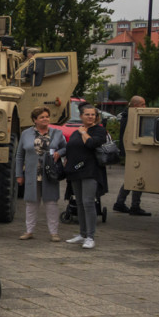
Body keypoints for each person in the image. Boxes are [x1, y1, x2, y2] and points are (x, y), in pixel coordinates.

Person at [16, 106, 66, 242]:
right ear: (35, 120)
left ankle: (54, 233)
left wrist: (59, 153)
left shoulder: (57, 133)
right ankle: (29, 231)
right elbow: (20, 155)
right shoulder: (26, 134)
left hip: (50, 173)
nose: (45, 119)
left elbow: (65, 147)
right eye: (42, 117)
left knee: (51, 203)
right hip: (32, 173)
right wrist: (19, 174)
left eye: (47, 116)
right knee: (31, 203)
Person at [63, 103, 108, 249]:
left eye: (93, 114)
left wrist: (84, 133)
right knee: (80, 203)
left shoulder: (99, 131)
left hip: (91, 171)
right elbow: (71, 147)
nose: (90, 117)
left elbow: (91, 144)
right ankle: (82, 234)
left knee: (89, 202)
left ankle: (90, 236)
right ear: (81, 116)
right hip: (76, 171)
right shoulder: (78, 130)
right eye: (87, 114)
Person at [113, 95, 150, 215]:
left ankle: (121, 202)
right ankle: (133, 205)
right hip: (133, 151)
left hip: (129, 150)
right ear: (135, 105)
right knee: (135, 178)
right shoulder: (132, 116)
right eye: (143, 104)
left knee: (132, 177)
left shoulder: (127, 115)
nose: (145, 107)